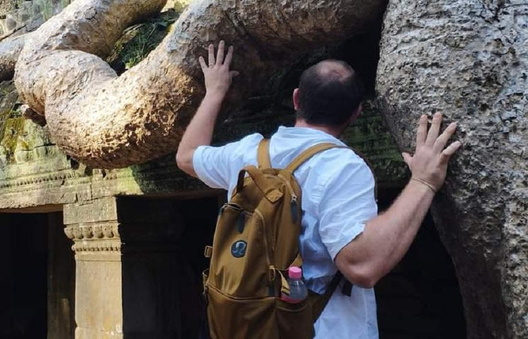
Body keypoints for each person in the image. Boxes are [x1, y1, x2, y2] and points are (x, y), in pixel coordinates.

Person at [176, 41, 461, 339]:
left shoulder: (247, 153)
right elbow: (361, 266)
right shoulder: (344, 168)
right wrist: (423, 182)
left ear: (296, 99)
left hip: (253, 323)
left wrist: (215, 91)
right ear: (357, 113)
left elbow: (186, 156)